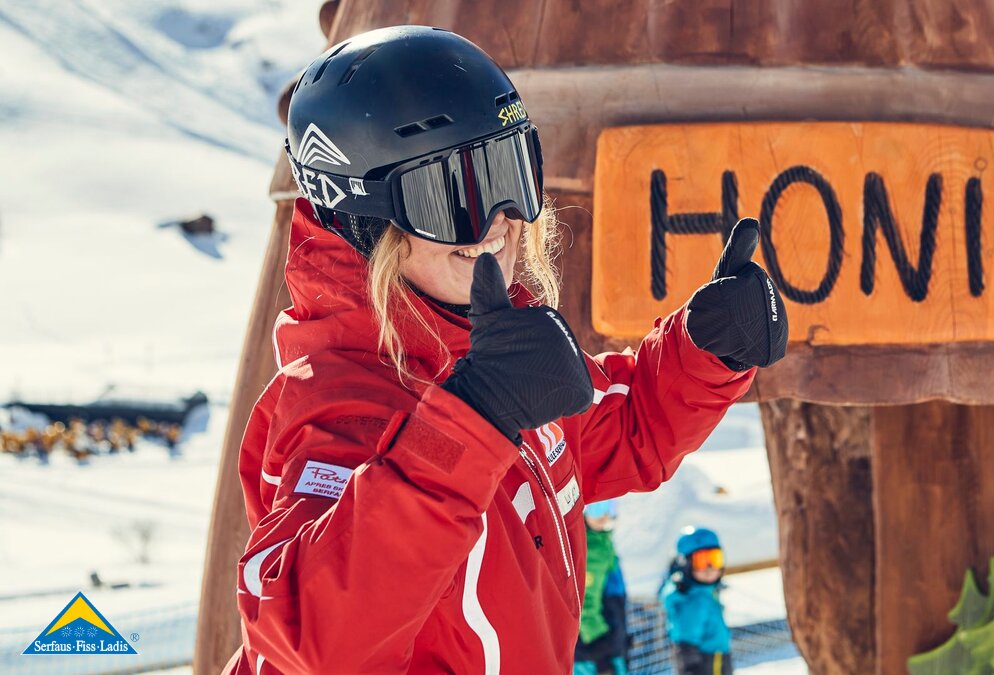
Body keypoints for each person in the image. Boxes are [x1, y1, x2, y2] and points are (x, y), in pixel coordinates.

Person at [225, 26, 787, 674]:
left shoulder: (485, 350)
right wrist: (469, 424)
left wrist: (704, 350)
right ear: (364, 219)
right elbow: (306, 635)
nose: (496, 220)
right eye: (452, 195)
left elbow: (619, 428)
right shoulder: (338, 401)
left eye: (508, 172)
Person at [661, 527, 733, 675]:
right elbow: (685, 643)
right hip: (705, 664)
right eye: (702, 561)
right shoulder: (691, 600)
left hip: (718, 658)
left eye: (714, 559)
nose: (710, 568)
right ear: (685, 563)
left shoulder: (706, 592)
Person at [575, 500, 629, 675]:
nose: (604, 516)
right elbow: (583, 601)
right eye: (597, 509)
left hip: (610, 641)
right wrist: (599, 644)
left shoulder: (604, 543)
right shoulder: (588, 548)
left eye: (609, 508)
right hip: (594, 648)